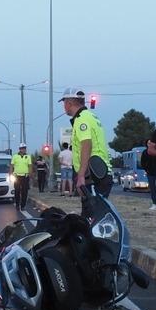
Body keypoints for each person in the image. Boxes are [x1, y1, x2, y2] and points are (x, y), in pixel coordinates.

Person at [59, 87, 112, 219]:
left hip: (93, 174)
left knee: (92, 218)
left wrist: (81, 175)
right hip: (99, 171)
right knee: (93, 216)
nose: (63, 106)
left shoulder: (81, 119)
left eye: (64, 103)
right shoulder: (91, 116)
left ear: (69, 103)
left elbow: (86, 144)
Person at [140, 139, 156, 210]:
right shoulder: (145, 152)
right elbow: (142, 162)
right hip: (150, 173)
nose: (150, 144)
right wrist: (146, 169)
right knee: (152, 189)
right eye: (148, 143)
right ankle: (154, 204)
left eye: (151, 143)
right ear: (147, 144)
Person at [10, 143, 32, 210]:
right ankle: (17, 204)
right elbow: (12, 166)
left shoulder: (28, 156)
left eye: (25, 148)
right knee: (17, 191)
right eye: (22, 148)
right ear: (20, 149)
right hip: (17, 176)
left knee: (25, 192)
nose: (24, 149)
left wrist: (30, 175)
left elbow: (30, 166)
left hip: (25, 176)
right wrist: (10, 173)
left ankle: (23, 206)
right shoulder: (15, 156)